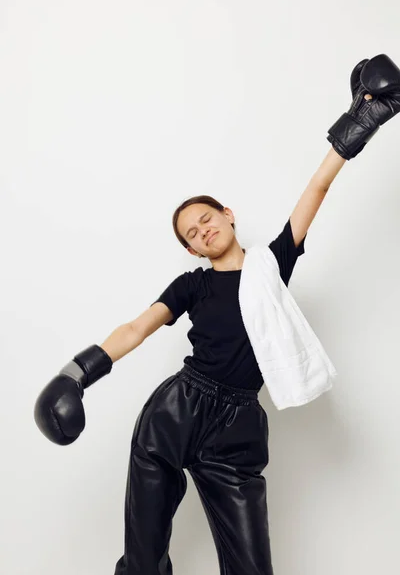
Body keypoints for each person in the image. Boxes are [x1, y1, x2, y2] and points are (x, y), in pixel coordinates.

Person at [34, 54, 400, 574]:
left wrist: (361, 121)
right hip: (176, 412)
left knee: (251, 567)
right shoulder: (193, 285)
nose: (203, 230)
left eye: (206, 219)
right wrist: (77, 374)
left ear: (227, 215)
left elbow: (315, 191)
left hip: (239, 425)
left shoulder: (272, 264)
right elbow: (138, 326)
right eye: (192, 234)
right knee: (144, 558)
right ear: (191, 250)